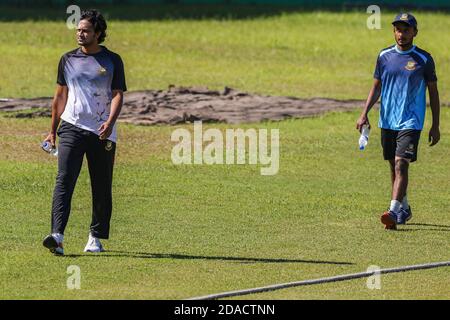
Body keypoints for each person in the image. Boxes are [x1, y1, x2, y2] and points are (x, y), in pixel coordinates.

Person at [42, 9, 127, 255]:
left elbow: (117, 94)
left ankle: (95, 237)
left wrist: (110, 122)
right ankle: (57, 236)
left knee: (101, 184)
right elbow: (60, 96)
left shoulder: (112, 61)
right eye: (78, 29)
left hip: (102, 131)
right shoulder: (67, 59)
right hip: (71, 126)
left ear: (98, 34)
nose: (80, 33)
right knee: (64, 180)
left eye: (86, 30)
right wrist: (52, 131)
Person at [356, 13, 440, 230]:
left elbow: (434, 92)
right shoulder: (384, 56)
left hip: (411, 122)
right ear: (394, 32)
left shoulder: (424, 59)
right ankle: (404, 207)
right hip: (387, 121)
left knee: (402, 163)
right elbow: (376, 87)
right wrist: (364, 113)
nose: (401, 34)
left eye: (406, 30)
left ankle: (393, 211)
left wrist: (435, 125)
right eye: (398, 29)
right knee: (393, 165)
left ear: (415, 32)